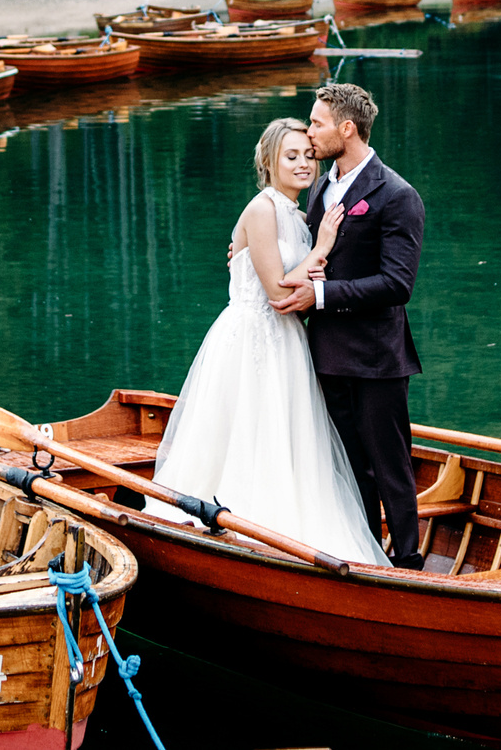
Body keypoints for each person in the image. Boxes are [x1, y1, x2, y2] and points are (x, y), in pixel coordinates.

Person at [147, 118, 387, 564]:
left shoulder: (299, 214)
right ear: (269, 162)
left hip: (289, 343)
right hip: (250, 340)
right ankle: (235, 528)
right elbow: (278, 292)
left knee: (288, 436)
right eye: (291, 156)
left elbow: (299, 286)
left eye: (308, 155)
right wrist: (322, 248)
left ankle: (292, 528)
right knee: (248, 429)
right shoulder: (261, 210)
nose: (303, 164)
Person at [276, 80, 426, 569]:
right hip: (325, 353)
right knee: (349, 465)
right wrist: (252, 251)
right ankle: (366, 552)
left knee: (390, 465)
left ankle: (408, 560)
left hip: (377, 358)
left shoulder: (398, 195)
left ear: (346, 129)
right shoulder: (321, 186)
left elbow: (396, 284)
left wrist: (320, 296)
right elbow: (307, 251)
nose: (309, 132)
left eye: (316, 123)